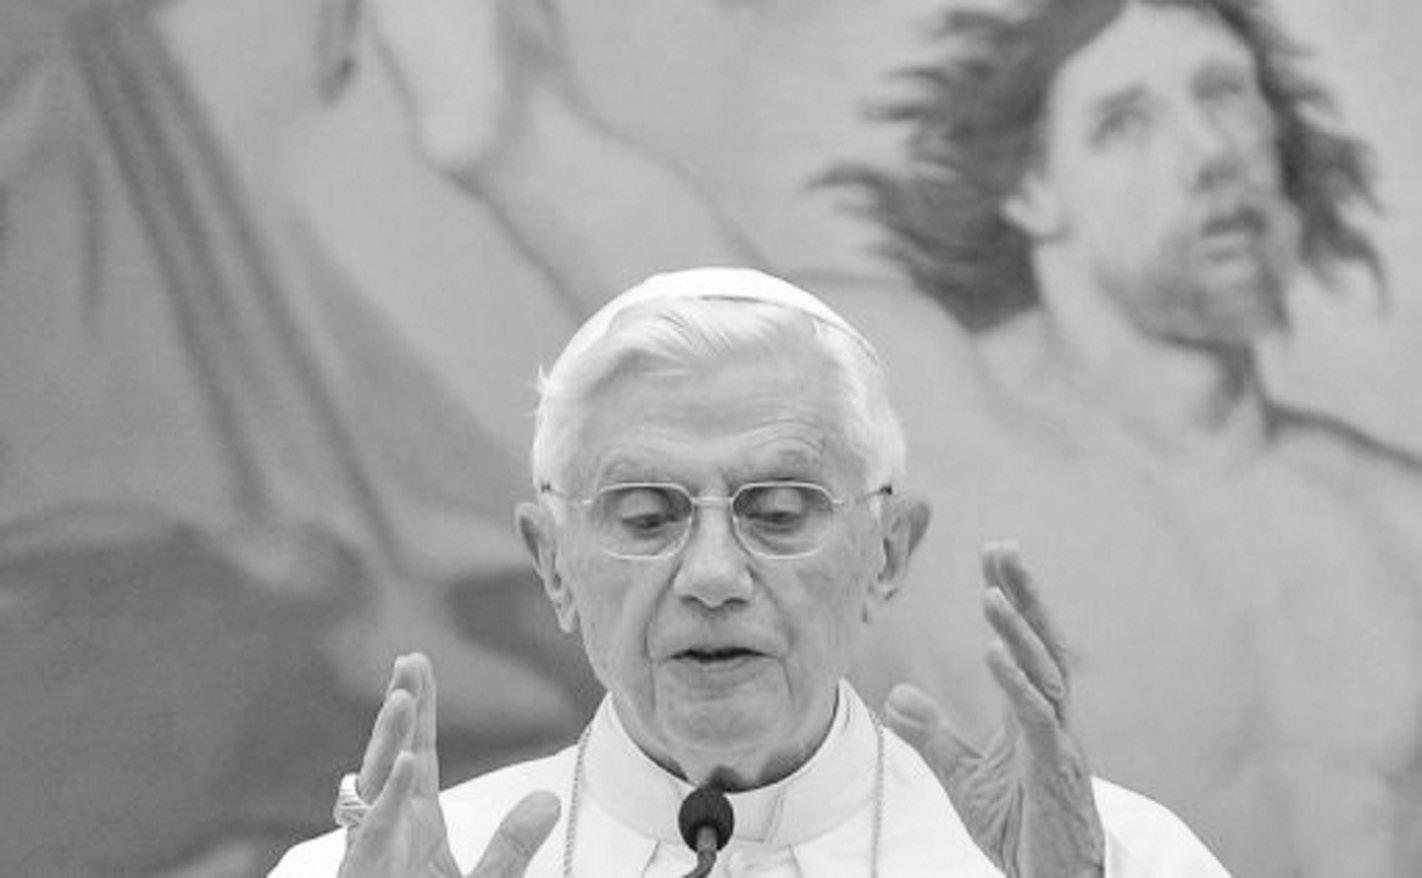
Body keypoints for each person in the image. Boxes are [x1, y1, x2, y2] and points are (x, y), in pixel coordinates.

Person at [270, 266, 1225, 876]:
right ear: (554, 564)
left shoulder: (1113, 861)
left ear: (888, 552)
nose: (713, 576)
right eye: (647, 517)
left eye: (778, 512)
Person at [837, 1, 1422, 874]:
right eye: (1124, 122)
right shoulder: (928, 431)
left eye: (1225, 94)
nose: (1212, 152)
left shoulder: (1395, 519)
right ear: (1031, 191)